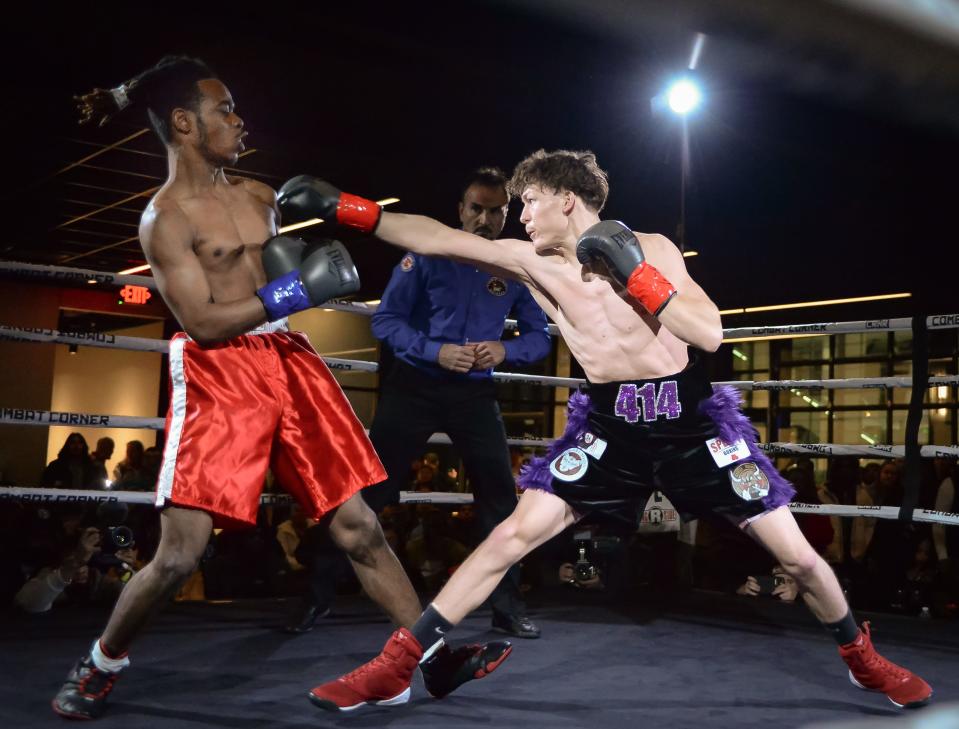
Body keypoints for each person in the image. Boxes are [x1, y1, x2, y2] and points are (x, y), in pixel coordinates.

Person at [277, 149, 932, 711]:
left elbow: (707, 334)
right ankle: (396, 665)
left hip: (691, 420)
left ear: (566, 200)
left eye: (528, 201)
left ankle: (860, 656)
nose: (519, 214)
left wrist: (637, 277)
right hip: (608, 425)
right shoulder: (530, 263)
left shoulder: (651, 248)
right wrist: (349, 209)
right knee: (509, 535)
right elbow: (436, 238)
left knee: (795, 555)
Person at [53, 55, 503, 720]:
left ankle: (430, 657)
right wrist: (295, 288)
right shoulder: (166, 219)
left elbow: (279, 294)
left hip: (287, 360)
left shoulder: (261, 196)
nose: (240, 120)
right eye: (224, 109)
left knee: (360, 526)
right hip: (218, 369)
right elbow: (203, 321)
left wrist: (303, 273)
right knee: (181, 552)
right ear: (184, 123)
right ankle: (98, 664)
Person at [288, 167, 549, 636]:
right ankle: (315, 595)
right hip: (415, 386)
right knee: (372, 493)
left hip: (474, 391)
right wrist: (434, 350)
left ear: (506, 214)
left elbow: (539, 336)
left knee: (501, 501)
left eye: (496, 211)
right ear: (462, 210)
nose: (485, 219)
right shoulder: (428, 252)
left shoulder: (513, 266)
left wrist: (507, 349)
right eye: (477, 208)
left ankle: (507, 606)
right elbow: (385, 321)